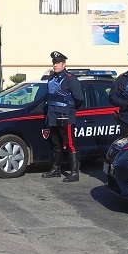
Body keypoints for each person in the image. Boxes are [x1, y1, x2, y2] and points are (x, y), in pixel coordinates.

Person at [42, 51, 84, 182]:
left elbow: (79, 99)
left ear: (64, 64)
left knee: (70, 144)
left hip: (66, 117)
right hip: (53, 116)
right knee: (56, 144)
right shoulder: (51, 78)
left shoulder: (70, 79)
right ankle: (56, 169)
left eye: (58, 62)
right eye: (54, 62)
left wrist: (69, 110)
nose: (55, 65)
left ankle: (74, 173)